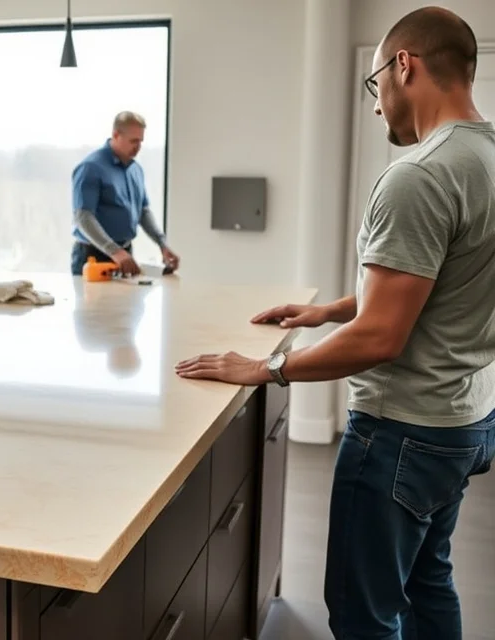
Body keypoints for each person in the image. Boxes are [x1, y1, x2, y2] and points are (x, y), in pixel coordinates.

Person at [175, 7, 495, 640]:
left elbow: (382, 337)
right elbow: (444, 282)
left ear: (404, 65)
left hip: (400, 433)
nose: (377, 108)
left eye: (376, 84)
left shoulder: (419, 176)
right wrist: (329, 309)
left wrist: (265, 368)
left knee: (362, 613)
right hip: (465, 421)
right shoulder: (485, 158)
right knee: (429, 582)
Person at [70, 111, 179, 277]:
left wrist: (162, 244)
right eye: (133, 141)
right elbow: (83, 217)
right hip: (93, 256)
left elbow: (143, 211)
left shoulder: (136, 170)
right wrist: (114, 251)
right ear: (116, 135)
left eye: (141, 141)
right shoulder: (90, 168)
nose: (138, 147)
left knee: (126, 303)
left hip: (124, 253)